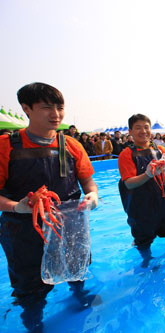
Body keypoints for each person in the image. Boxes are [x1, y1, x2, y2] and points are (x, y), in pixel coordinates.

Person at [0, 82, 99, 331]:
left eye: (60, 107)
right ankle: (35, 323)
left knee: (78, 270)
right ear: (26, 108)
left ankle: (79, 297)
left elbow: (88, 182)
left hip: (70, 225)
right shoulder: (6, 146)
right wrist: (17, 206)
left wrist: (92, 196)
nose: (56, 114)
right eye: (47, 107)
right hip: (23, 229)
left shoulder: (72, 145)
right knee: (29, 288)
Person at [118, 114, 165, 256]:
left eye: (146, 127)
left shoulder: (160, 150)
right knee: (143, 242)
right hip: (142, 208)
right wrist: (147, 174)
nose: (143, 131)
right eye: (138, 128)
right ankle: (146, 263)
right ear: (130, 132)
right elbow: (129, 184)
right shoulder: (127, 154)